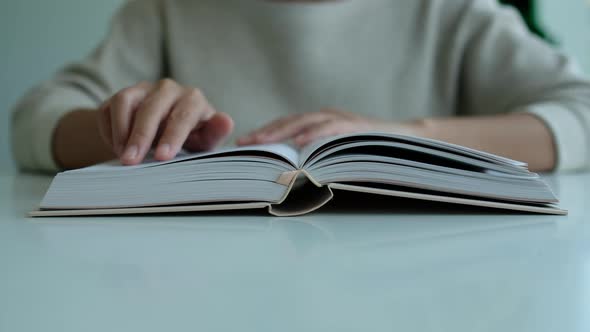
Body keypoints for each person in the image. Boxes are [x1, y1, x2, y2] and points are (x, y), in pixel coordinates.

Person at [11, 0, 590, 173]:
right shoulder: (168, 10)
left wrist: (404, 136)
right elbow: (34, 120)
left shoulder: (455, 12)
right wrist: (126, 128)